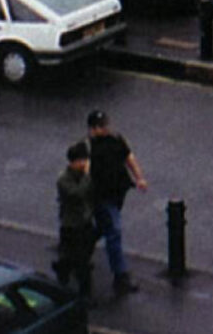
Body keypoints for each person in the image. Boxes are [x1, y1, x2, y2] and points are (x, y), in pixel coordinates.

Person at [85, 109, 148, 296]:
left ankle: (78, 252)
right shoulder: (88, 148)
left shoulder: (115, 140)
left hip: (117, 193)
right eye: (99, 126)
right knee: (114, 231)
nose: (104, 128)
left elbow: (129, 157)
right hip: (101, 197)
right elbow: (85, 173)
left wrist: (140, 178)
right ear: (92, 129)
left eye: (105, 124)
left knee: (102, 229)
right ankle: (120, 277)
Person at [54, 140, 96, 297]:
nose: (85, 164)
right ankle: (85, 295)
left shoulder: (83, 176)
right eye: (83, 161)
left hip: (85, 223)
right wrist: (87, 176)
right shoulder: (64, 179)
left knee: (79, 256)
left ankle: (64, 268)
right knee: (81, 261)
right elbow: (77, 194)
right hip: (71, 225)